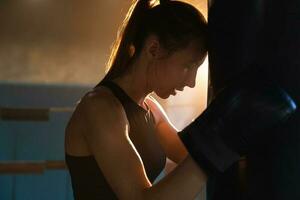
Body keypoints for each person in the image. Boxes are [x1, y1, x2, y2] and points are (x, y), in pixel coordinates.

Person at [65, 0, 296, 199]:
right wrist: (219, 140)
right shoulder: (100, 108)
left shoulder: (151, 110)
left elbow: (191, 158)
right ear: (153, 49)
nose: (192, 82)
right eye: (188, 66)